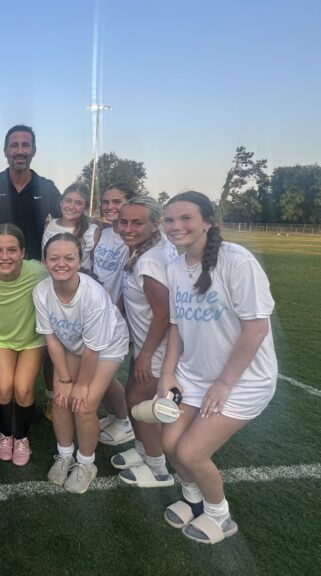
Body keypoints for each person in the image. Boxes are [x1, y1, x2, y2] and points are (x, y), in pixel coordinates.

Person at [158, 191, 278, 544]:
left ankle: (219, 516)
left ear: (208, 222)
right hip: (193, 375)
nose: (176, 226)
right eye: (169, 219)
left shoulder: (236, 261)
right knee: (169, 443)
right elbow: (177, 326)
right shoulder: (174, 267)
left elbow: (256, 328)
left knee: (191, 452)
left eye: (185, 218)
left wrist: (225, 383)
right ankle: (192, 499)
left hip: (242, 381)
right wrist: (168, 373)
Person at [35, 233, 129, 493]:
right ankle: (65, 455)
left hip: (106, 346)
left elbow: (93, 349)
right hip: (72, 343)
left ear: (79, 260)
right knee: (61, 399)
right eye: (54, 258)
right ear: (45, 261)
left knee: (84, 405)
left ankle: (86, 463)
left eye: (69, 258)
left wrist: (81, 384)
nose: (61, 263)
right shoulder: (41, 291)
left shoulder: (93, 295)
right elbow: (51, 339)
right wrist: (65, 381)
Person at [111, 197, 179, 488]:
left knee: (141, 404)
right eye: (123, 221)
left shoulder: (151, 260)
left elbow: (164, 313)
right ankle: (143, 451)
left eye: (137, 222)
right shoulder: (145, 250)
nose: (128, 228)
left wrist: (146, 355)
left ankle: (157, 468)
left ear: (155, 224)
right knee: (134, 397)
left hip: (156, 350)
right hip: (144, 344)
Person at [0, 224, 47, 466]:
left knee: (23, 390)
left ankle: (22, 438)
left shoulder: (37, 272)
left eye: (12, 250)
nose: (5, 257)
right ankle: (6, 435)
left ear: (23, 253)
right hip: (1, 339)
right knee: (3, 389)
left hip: (32, 340)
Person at [0, 125, 61, 260]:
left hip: (33, 269)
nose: (20, 151)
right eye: (14, 145)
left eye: (25, 145)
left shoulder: (46, 187)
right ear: (5, 151)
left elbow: (66, 220)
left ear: (34, 151)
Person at [91, 183, 137, 446]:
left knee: (103, 372)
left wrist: (114, 313)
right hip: (98, 311)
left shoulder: (131, 237)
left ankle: (124, 421)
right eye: (106, 202)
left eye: (116, 202)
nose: (109, 207)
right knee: (99, 369)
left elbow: (127, 281)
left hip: (115, 315)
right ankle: (112, 414)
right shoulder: (105, 232)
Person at [41, 184, 99, 271]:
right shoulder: (49, 225)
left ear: (86, 207)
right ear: (61, 202)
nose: (71, 207)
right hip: (51, 280)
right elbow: (44, 259)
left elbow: (97, 265)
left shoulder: (92, 231)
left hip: (80, 282)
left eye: (78, 203)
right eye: (68, 201)